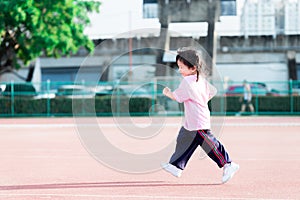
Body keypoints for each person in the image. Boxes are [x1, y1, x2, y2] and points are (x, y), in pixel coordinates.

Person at [161, 47, 239, 184]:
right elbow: (213, 91)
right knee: (183, 139)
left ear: (193, 68)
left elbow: (178, 97)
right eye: (178, 67)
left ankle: (228, 164)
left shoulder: (187, 82)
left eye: (182, 67)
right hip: (193, 121)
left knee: (210, 145)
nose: (179, 70)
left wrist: (167, 93)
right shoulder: (200, 80)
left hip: (197, 122)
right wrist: (202, 101)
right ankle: (175, 166)